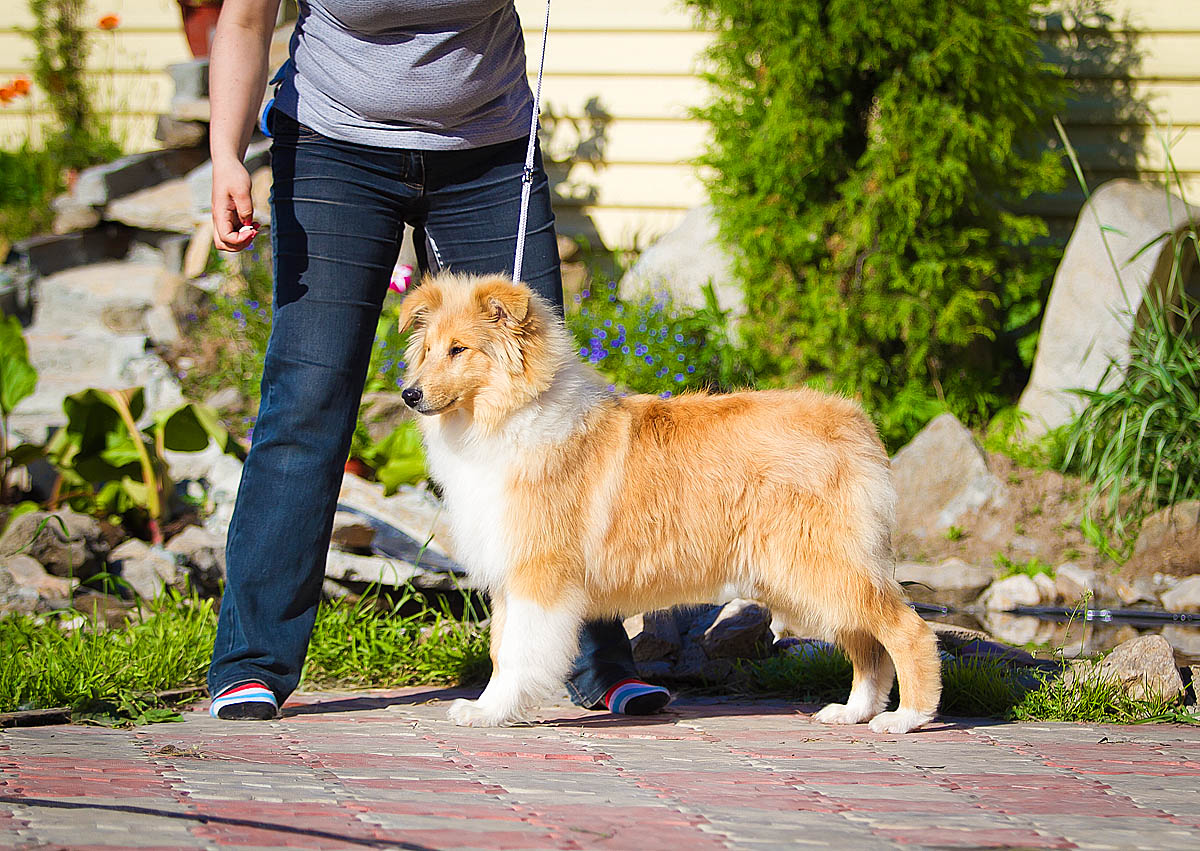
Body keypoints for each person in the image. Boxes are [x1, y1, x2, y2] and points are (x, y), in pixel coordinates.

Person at [205, 0, 671, 721]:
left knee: (548, 409)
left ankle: (595, 660)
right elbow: (240, 21)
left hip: (487, 146)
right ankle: (251, 661)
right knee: (309, 396)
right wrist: (225, 153)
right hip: (334, 143)